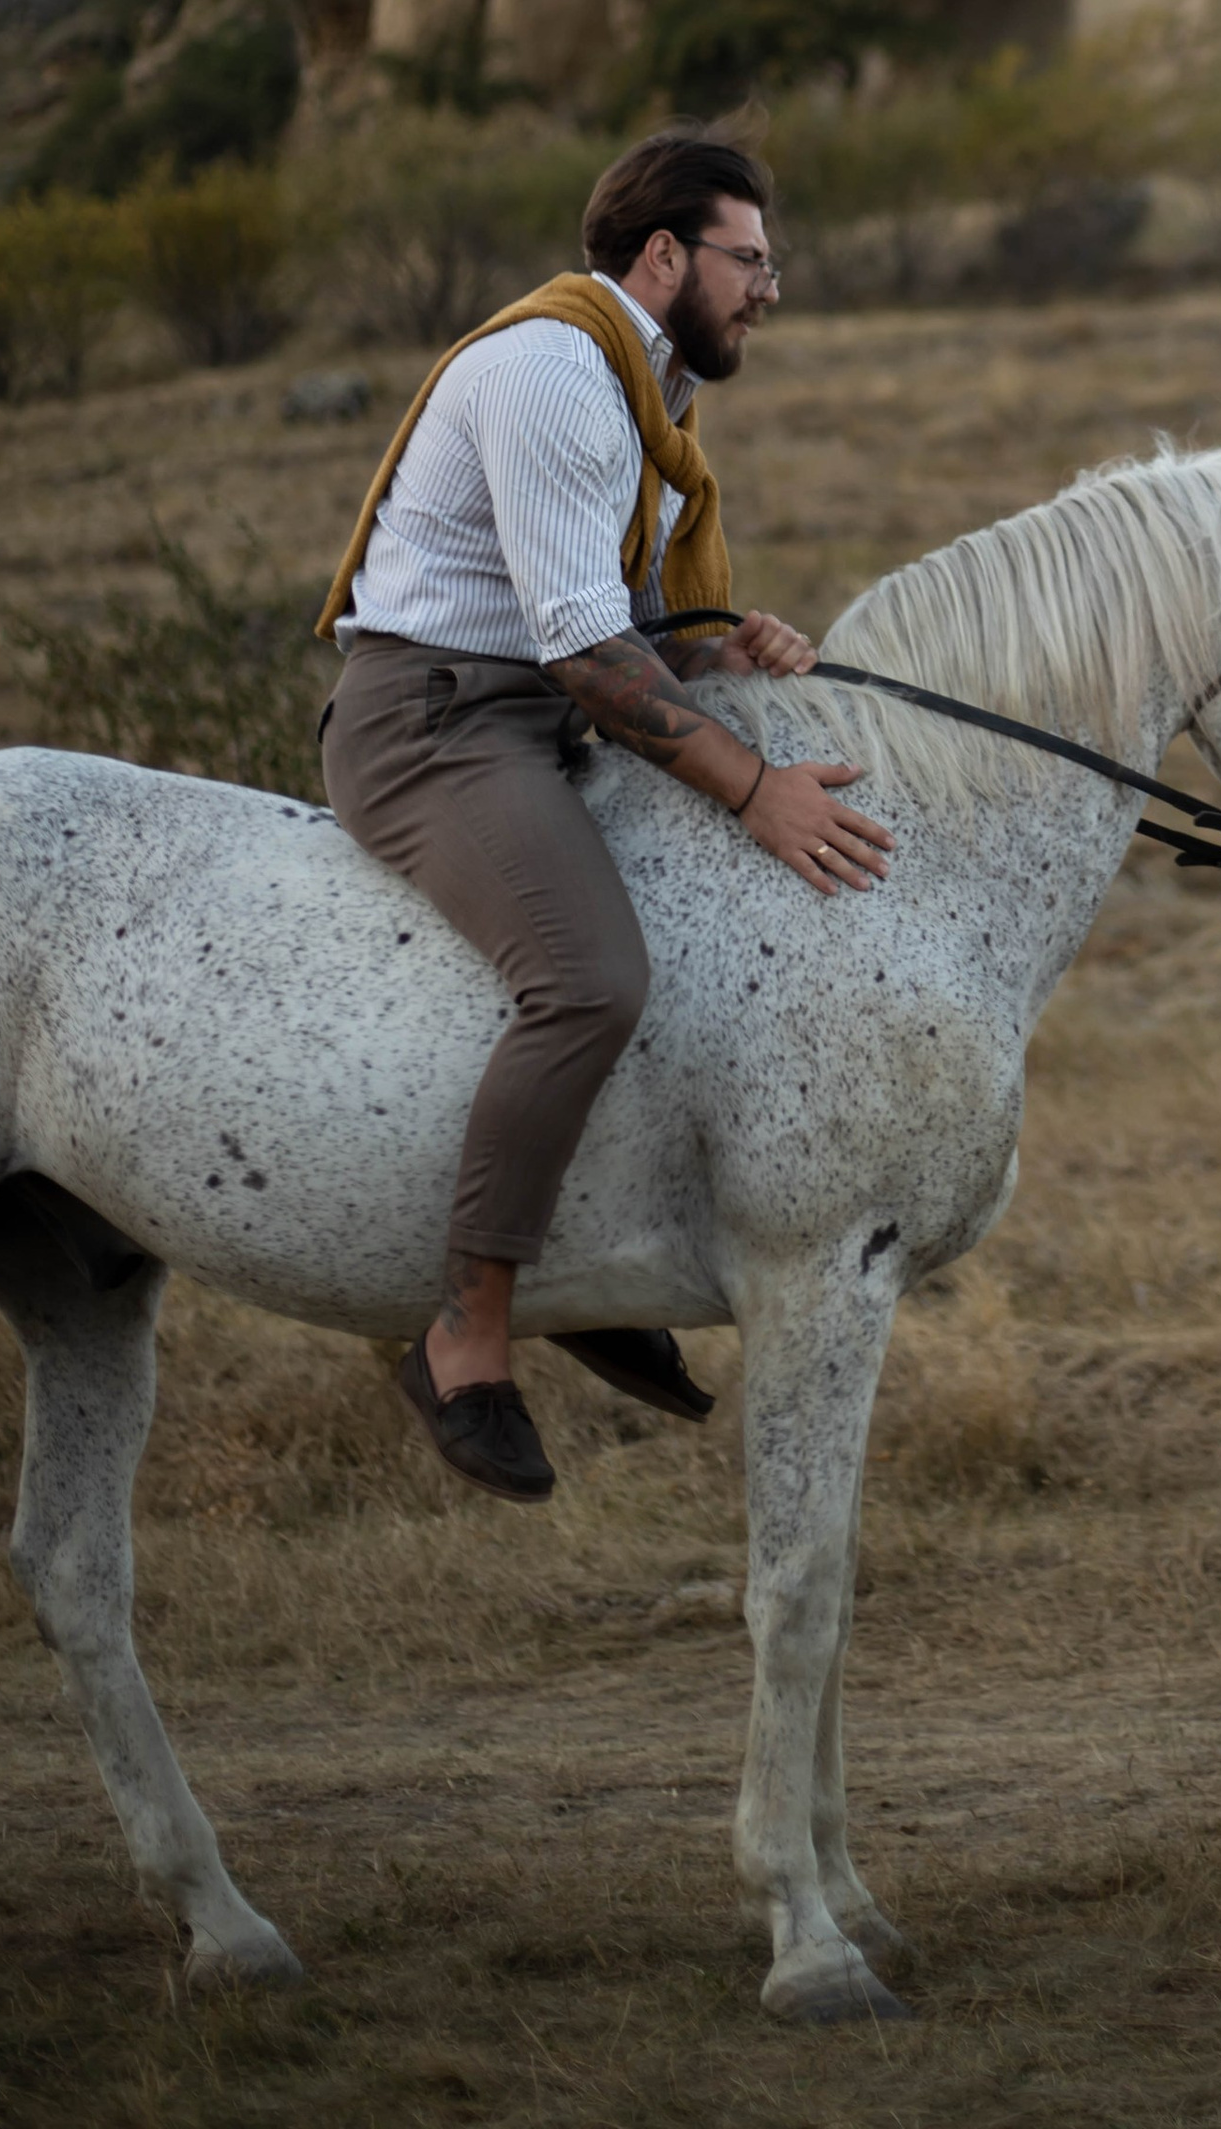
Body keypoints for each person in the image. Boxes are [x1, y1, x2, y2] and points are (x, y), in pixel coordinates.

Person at [316, 129, 896, 1506]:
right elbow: (581, 649)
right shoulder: (556, 373)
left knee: (692, 950)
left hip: (532, 716)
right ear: (665, 255)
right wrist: (754, 787)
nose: (770, 290)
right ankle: (466, 1330)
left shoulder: (644, 385)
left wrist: (715, 649)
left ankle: (582, 1264)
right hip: (436, 722)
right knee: (589, 979)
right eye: (751, 261)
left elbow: (616, 623)